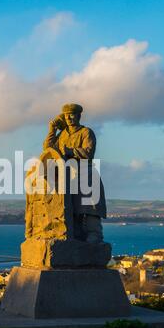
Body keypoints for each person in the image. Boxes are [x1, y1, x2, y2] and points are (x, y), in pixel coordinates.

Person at [43, 103, 107, 243]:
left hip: (86, 174)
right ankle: (76, 235)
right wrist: (52, 130)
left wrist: (70, 151)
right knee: (72, 209)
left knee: (90, 207)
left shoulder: (86, 132)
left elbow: (88, 153)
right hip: (69, 175)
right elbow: (48, 150)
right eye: (66, 115)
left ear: (78, 116)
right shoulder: (62, 134)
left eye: (72, 115)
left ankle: (94, 234)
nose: (69, 118)